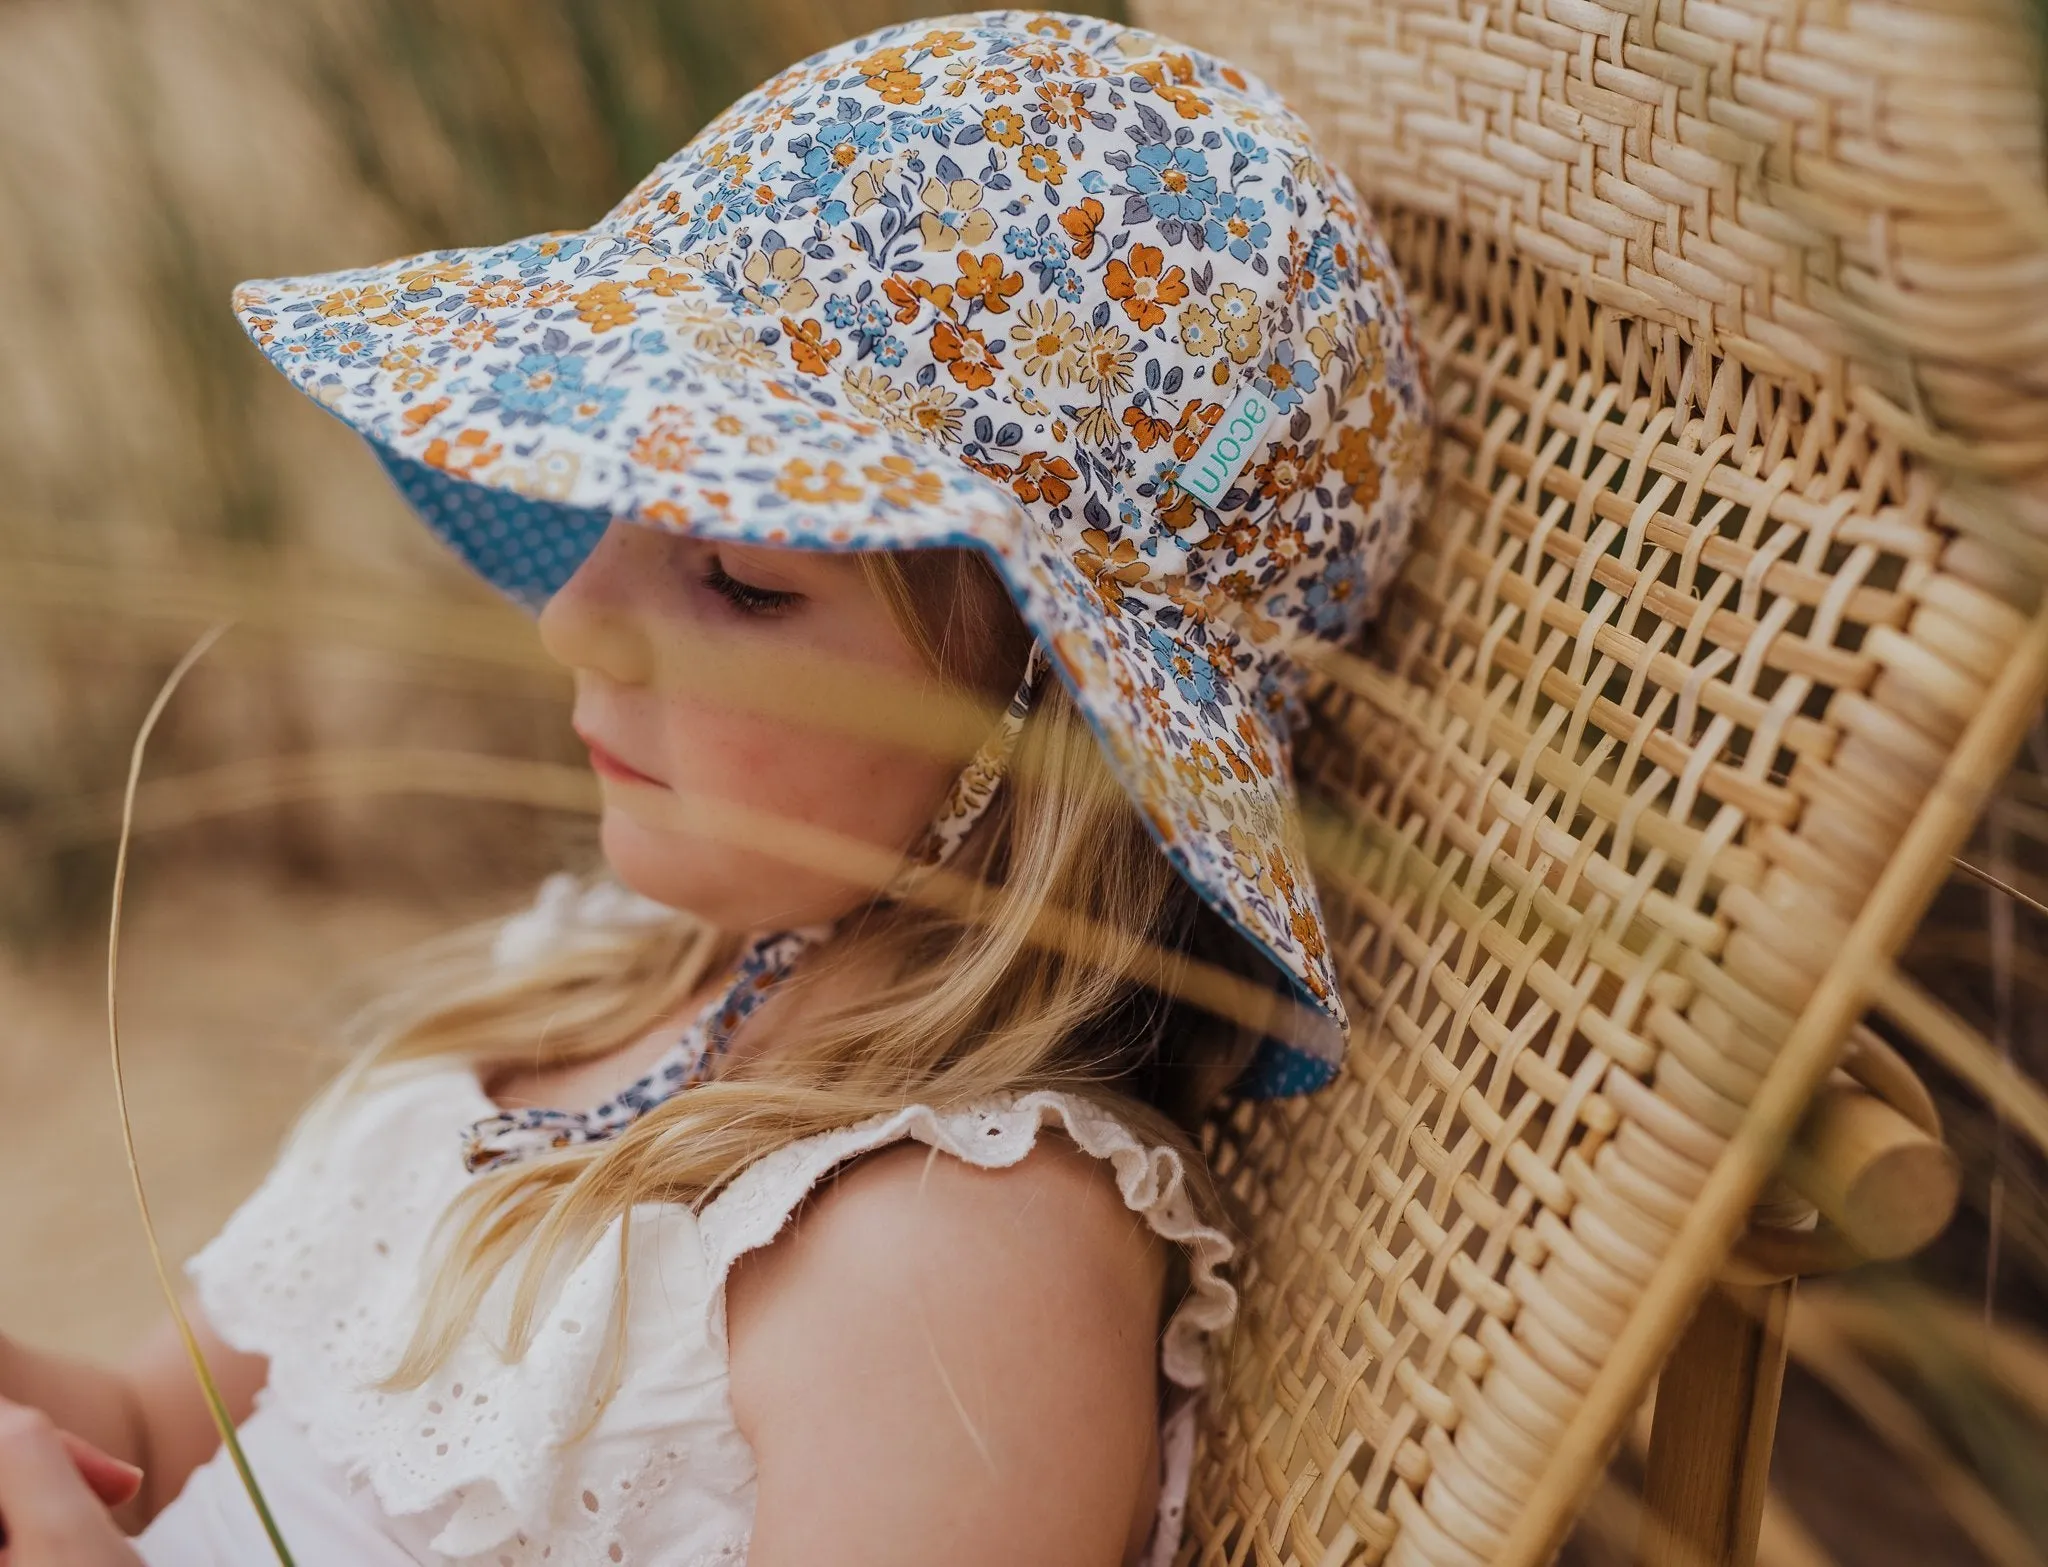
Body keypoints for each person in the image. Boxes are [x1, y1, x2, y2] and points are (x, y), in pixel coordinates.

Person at [0, 11, 1430, 1564]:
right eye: (624, 495)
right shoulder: (592, 981)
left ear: (1052, 726)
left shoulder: (951, 1255)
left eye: (738, 576)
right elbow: (155, 1435)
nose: (571, 614)